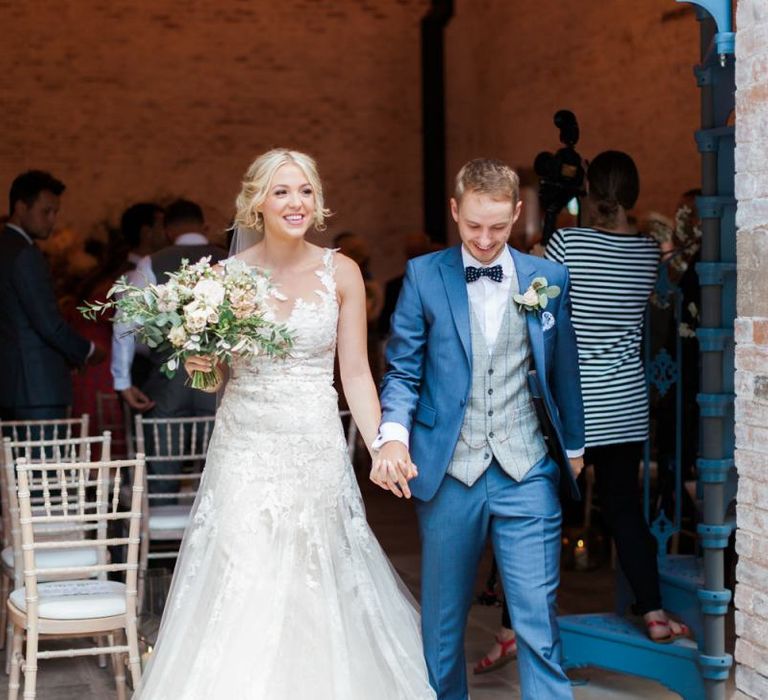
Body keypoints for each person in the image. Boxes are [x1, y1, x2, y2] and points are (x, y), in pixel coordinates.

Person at [133, 149, 435, 699]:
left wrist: (383, 444)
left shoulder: (340, 271)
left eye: (305, 191)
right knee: (246, 579)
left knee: (313, 582)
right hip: (243, 450)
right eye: (282, 191)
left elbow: (358, 375)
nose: (295, 202)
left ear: (316, 202)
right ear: (256, 202)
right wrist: (201, 368)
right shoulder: (223, 278)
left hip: (314, 448)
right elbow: (213, 380)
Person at [374, 158, 585, 700]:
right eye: (473, 226)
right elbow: (403, 370)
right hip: (448, 470)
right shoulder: (424, 276)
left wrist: (576, 447)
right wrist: (392, 434)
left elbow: (565, 369)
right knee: (443, 628)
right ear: (455, 210)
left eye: (498, 226)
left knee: (538, 623)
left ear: (517, 213)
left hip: (527, 468)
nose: (485, 239)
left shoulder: (548, 278)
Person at [545, 150, 689, 643]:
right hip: (625, 402)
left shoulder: (567, 243)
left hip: (574, 402)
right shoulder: (648, 251)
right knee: (625, 509)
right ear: (633, 193)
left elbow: (539, 309)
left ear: (589, 191)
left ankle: (525, 620)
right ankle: (652, 612)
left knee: (551, 510)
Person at [0, 170, 105, 422]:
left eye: (55, 212)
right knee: (43, 460)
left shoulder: (4, 247)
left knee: (16, 461)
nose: (52, 220)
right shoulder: (25, 254)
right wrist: (88, 350)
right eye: (46, 211)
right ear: (20, 207)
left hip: (10, 383)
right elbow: (48, 324)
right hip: (36, 387)